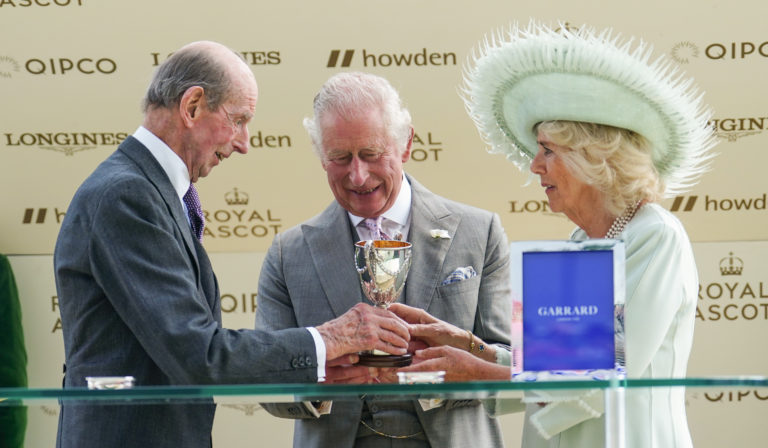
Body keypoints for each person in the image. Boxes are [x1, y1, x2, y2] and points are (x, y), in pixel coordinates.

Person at [53, 41, 410, 448]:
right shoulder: (127, 195)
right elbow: (200, 355)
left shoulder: (146, 190)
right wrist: (328, 340)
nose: (244, 142)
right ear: (192, 107)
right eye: (238, 120)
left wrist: (321, 361)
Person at [460, 21, 715, 448]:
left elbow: (594, 374)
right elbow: (551, 365)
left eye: (547, 151)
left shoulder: (656, 237)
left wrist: (477, 371)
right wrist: (471, 348)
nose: (535, 166)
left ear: (594, 158)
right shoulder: (579, 244)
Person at [255, 71, 513, 447]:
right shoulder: (288, 253)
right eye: (340, 158)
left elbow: (509, 360)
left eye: (372, 155)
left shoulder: (480, 231)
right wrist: (322, 381)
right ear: (320, 156)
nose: (358, 176)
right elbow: (265, 382)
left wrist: (450, 370)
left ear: (406, 144)